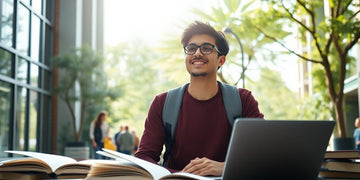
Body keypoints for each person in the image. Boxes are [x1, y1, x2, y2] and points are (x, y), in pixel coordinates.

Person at [135, 21, 264, 177]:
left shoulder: (243, 100)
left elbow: (261, 154)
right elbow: (145, 156)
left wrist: (224, 167)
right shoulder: (162, 103)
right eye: (191, 48)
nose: (197, 53)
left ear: (221, 60)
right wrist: (180, 175)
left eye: (206, 48)